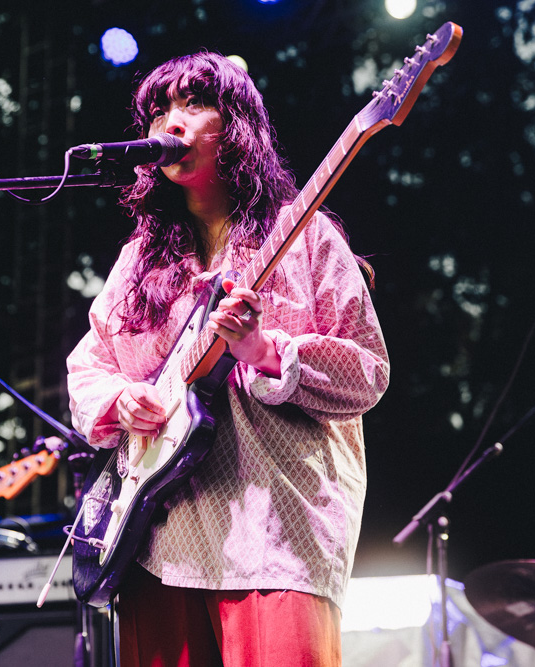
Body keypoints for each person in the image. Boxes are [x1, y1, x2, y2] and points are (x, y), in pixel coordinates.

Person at [66, 52, 390, 666]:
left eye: (193, 103)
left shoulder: (307, 237)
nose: (171, 121)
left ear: (235, 121)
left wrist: (265, 351)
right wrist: (119, 399)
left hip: (274, 531)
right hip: (160, 540)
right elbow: (88, 366)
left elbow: (368, 370)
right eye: (160, 109)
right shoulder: (139, 263)